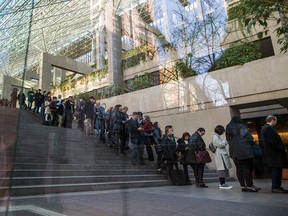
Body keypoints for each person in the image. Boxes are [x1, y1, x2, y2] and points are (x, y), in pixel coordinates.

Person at [226, 116, 260, 192]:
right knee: (247, 168)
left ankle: (243, 186)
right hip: (244, 151)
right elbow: (249, 138)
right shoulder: (241, 126)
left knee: (239, 169)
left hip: (234, 152)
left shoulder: (228, 128)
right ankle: (250, 185)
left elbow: (228, 140)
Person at [261, 115, 288, 193]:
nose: (276, 123)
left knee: (277, 170)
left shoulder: (266, 128)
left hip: (273, 155)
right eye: (275, 121)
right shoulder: (268, 128)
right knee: (276, 171)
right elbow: (272, 142)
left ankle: (277, 186)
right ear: (272, 120)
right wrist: (281, 148)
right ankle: (276, 187)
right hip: (274, 155)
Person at [212, 125, 233, 189]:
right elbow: (220, 145)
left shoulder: (216, 136)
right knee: (221, 169)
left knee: (223, 169)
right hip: (220, 155)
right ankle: (222, 184)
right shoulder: (215, 137)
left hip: (221, 154)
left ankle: (223, 183)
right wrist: (226, 140)